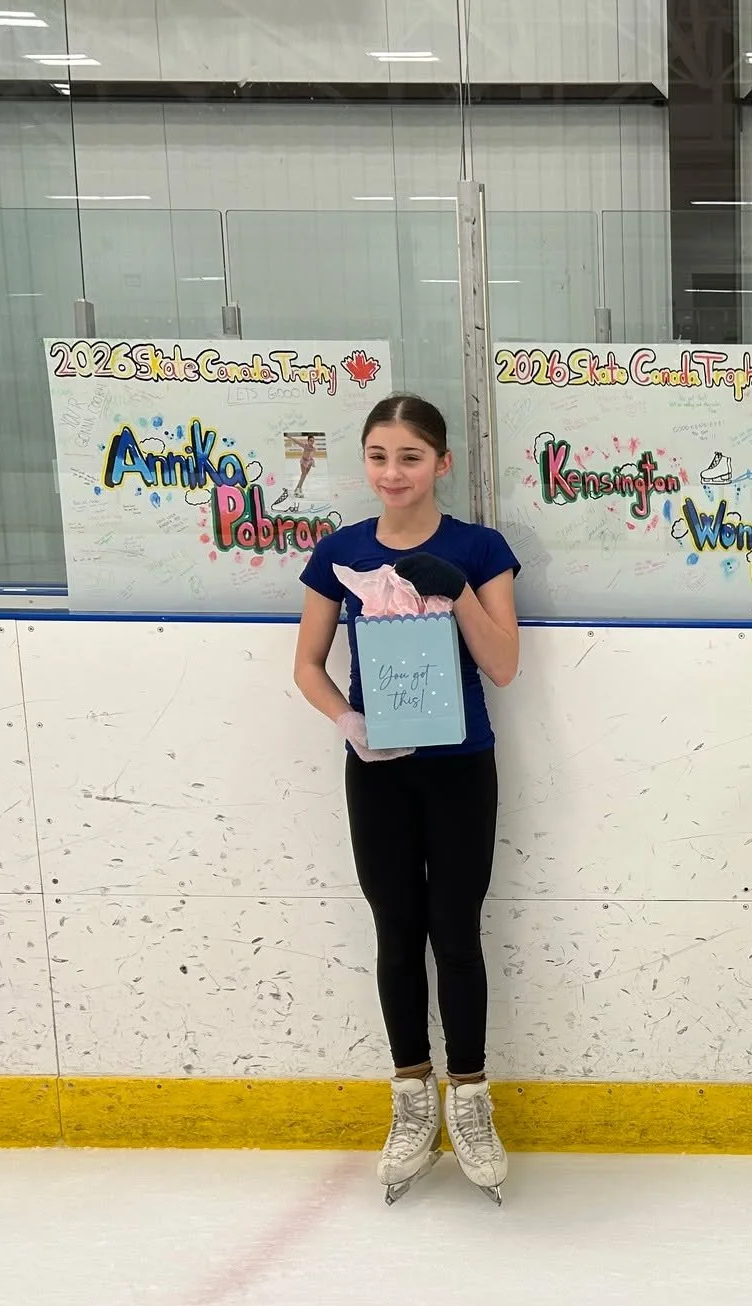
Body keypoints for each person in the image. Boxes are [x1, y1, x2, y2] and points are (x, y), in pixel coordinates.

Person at [292, 395, 522, 1206]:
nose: (394, 473)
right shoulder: (339, 553)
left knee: (455, 930)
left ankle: (471, 1098)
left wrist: (457, 592)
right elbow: (308, 666)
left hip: (461, 766)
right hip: (379, 770)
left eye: (411, 457)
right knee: (396, 928)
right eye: (380, 456)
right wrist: (349, 721)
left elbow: (504, 665)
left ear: (442, 464)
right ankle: (411, 1096)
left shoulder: (479, 548)